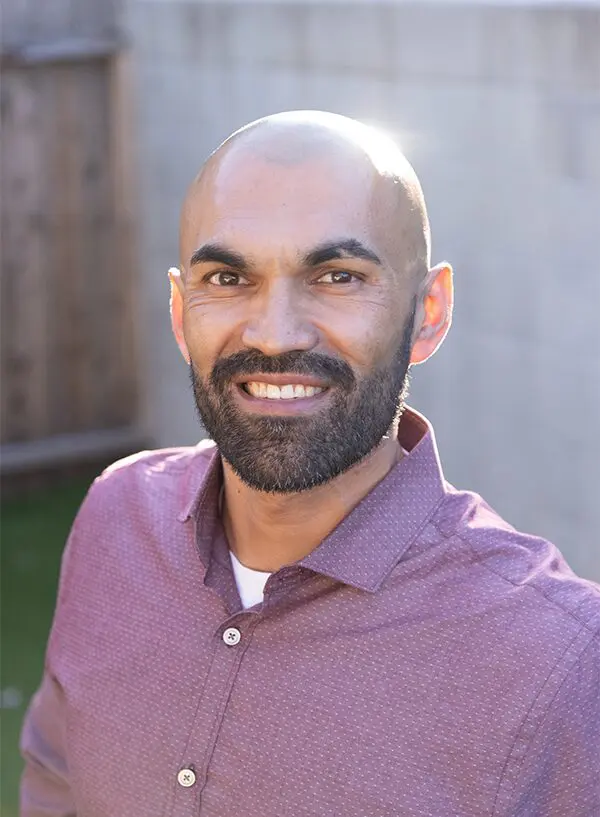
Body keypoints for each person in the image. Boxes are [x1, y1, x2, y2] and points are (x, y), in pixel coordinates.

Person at [20, 111, 600, 817]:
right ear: (179, 312)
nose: (274, 333)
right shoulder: (117, 514)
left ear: (430, 310)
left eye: (335, 275)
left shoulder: (560, 658)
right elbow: (55, 775)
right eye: (229, 277)